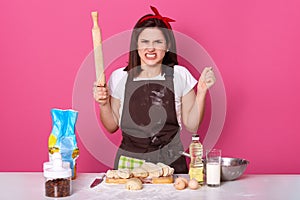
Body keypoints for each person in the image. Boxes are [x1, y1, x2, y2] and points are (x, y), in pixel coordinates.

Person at [93, 6, 216, 173]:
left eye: (158, 42)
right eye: (144, 42)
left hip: (171, 162)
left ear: (168, 46)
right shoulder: (120, 77)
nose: (150, 48)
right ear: (136, 44)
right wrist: (103, 103)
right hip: (130, 163)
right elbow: (111, 126)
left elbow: (192, 125)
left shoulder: (179, 75)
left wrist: (201, 92)